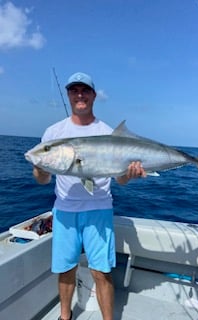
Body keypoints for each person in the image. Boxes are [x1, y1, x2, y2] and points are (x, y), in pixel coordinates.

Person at [33, 72, 146, 320]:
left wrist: (130, 173)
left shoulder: (108, 132)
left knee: (102, 272)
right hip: (64, 212)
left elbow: (121, 180)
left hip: (99, 210)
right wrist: (40, 168)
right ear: (69, 95)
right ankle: (65, 316)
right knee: (65, 269)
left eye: (85, 90)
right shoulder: (53, 133)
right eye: (74, 90)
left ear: (94, 95)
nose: (80, 95)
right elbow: (43, 180)